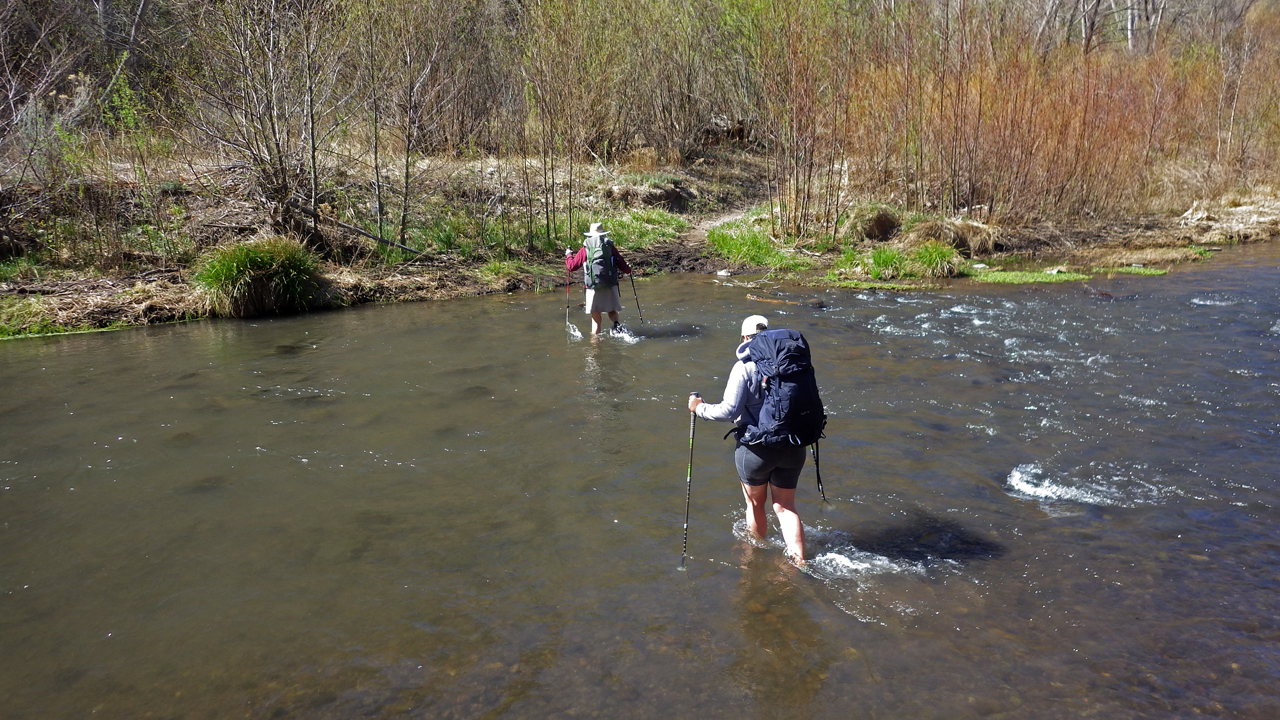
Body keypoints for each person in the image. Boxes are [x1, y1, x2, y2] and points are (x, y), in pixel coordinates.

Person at [688, 315, 808, 565]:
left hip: (756, 450)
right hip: (792, 445)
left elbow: (729, 411)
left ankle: (753, 561)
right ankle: (799, 562)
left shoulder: (744, 366)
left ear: (743, 338)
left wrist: (698, 408)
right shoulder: (791, 363)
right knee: (786, 507)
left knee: (755, 505)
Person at [566, 223, 632, 335]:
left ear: (590, 235)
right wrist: (629, 268)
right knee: (612, 310)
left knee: (596, 318)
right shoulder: (610, 247)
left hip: (593, 286)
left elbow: (571, 267)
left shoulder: (585, 249)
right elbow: (624, 268)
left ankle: (595, 345)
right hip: (610, 284)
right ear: (603, 234)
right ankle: (616, 324)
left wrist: (569, 255)